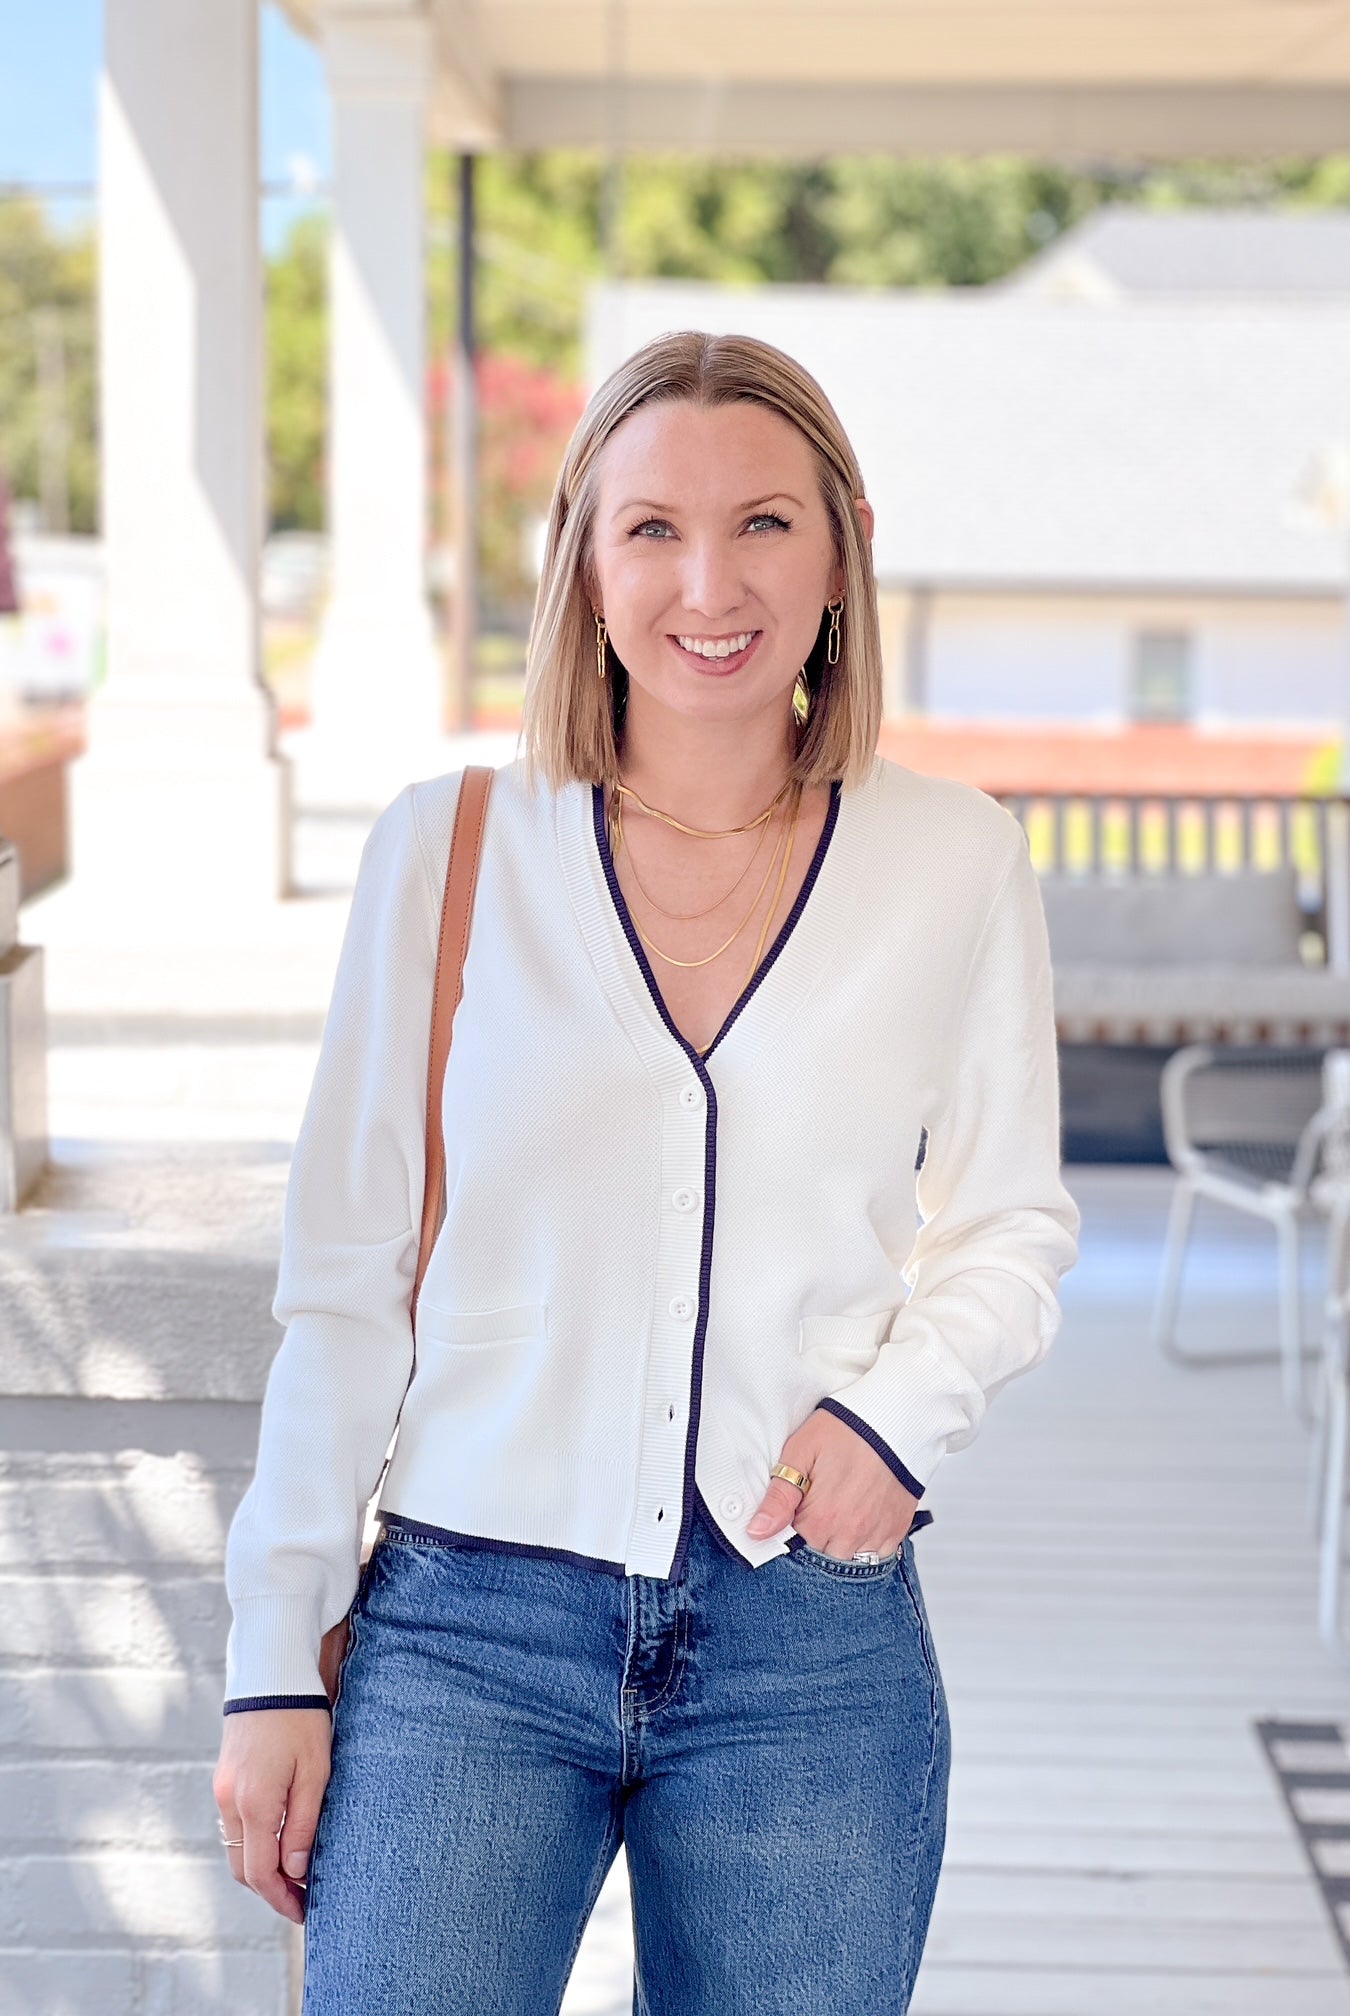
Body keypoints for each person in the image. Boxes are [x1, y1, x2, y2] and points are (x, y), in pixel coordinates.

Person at [214, 329, 1081, 2014]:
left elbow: (1010, 1223)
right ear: (583, 564)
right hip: (465, 1632)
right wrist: (273, 1659)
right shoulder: (449, 850)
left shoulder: (953, 861)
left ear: (843, 549)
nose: (710, 582)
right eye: (652, 529)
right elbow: (344, 1287)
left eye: (763, 523)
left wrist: (897, 1422)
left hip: (804, 1639)